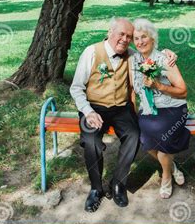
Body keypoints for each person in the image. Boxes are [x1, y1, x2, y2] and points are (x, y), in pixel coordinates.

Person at [70, 18, 177, 212]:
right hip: (94, 107)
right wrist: (88, 111)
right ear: (110, 32)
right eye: (122, 34)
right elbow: (76, 88)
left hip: (121, 107)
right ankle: (96, 189)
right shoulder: (91, 52)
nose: (125, 39)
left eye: (129, 36)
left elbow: (151, 57)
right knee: (91, 141)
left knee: (134, 136)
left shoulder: (132, 55)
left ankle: (118, 183)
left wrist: (167, 53)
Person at [129, 18, 190, 199]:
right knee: (142, 136)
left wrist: (159, 86)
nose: (139, 42)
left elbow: (183, 92)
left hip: (173, 108)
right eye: (136, 38)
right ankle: (171, 167)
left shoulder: (164, 59)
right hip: (149, 110)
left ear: (152, 38)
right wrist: (133, 113)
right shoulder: (133, 60)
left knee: (162, 133)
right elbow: (133, 90)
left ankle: (165, 177)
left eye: (143, 37)